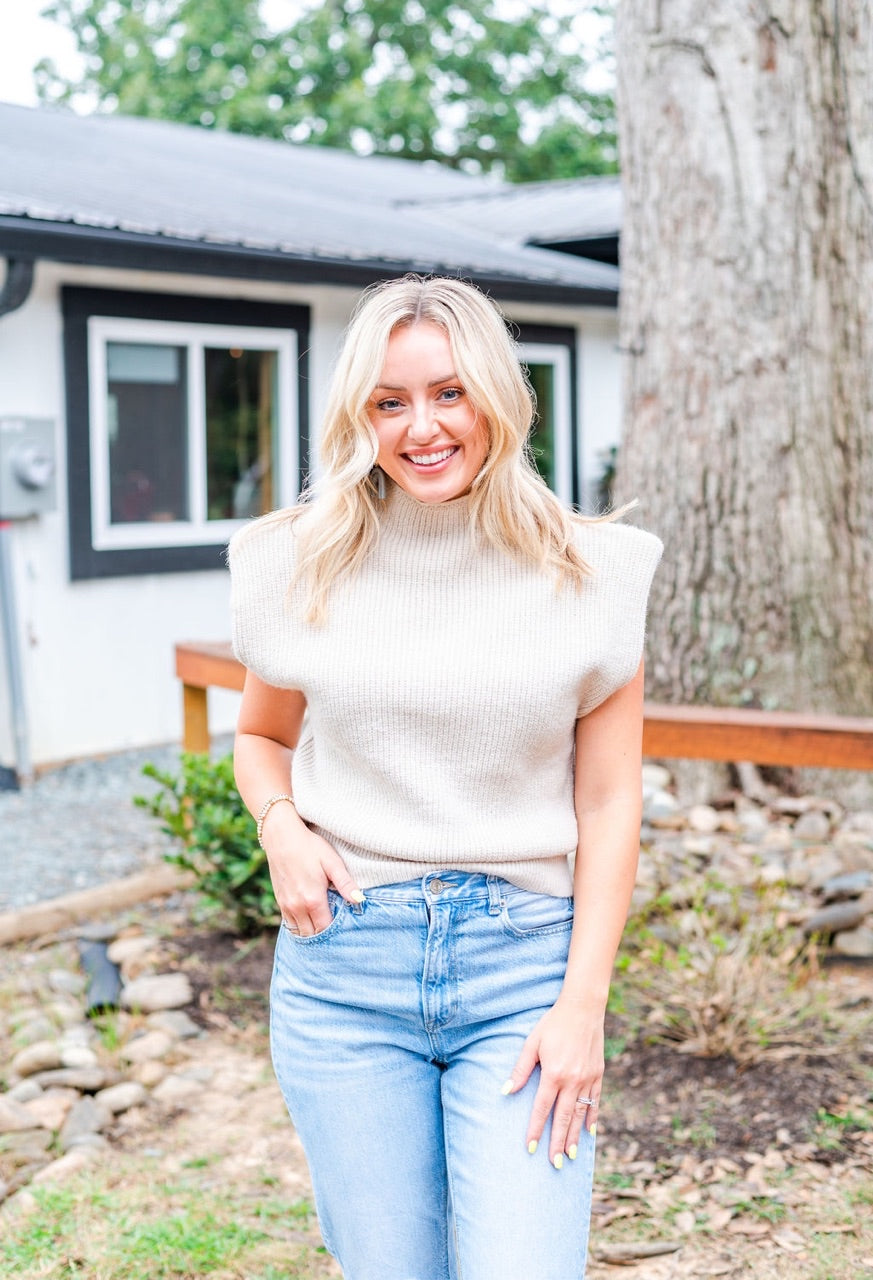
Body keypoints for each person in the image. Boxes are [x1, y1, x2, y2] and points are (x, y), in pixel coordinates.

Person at [228, 274, 662, 1280]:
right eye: (390, 401)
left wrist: (582, 1005)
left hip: (523, 970)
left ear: (497, 398)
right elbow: (260, 736)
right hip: (345, 969)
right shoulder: (301, 562)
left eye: (449, 393)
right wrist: (281, 825)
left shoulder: (590, 572)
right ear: (359, 412)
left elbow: (608, 799)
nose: (422, 426)